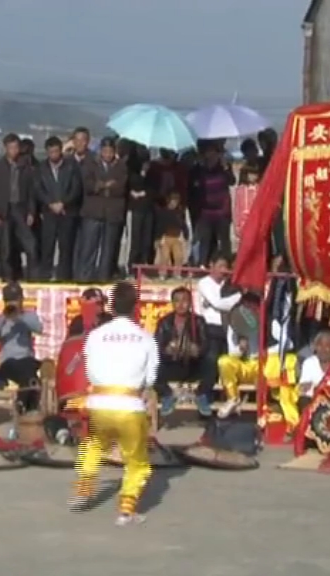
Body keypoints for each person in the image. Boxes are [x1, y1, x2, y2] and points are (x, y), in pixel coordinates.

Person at [71, 281, 158, 526]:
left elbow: (88, 371)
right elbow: (150, 378)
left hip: (99, 402)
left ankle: (83, 493)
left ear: (111, 305)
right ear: (136, 306)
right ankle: (126, 510)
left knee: (94, 447)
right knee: (137, 461)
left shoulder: (96, 336)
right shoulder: (144, 337)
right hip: (130, 405)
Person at [217, 293, 299, 425]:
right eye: (245, 308)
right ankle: (232, 398)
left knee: (274, 364)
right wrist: (240, 348)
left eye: (251, 308)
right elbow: (232, 352)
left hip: (263, 365)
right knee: (224, 361)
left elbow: (288, 344)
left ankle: (266, 411)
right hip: (245, 366)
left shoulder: (270, 322)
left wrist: (266, 351)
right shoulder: (235, 323)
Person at [0, 133, 38, 280]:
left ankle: (33, 278)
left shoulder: (26, 168)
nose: (14, 151)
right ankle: (7, 279)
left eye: (16, 147)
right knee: (5, 248)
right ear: (6, 148)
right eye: (10, 148)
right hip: (3, 211)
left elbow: (32, 191)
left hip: (21, 209)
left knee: (30, 246)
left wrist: (31, 212)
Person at [193, 253, 242, 415]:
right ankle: (202, 394)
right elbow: (219, 304)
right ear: (211, 266)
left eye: (225, 267)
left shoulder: (228, 285)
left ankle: (225, 402)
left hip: (227, 328)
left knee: (229, 360)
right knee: (212, 358)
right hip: (208, 327)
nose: (223, 270)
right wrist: (239, 297)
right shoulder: (205, 283)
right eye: (219, 266)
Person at [152, 287, 212, 416]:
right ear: (172, 303)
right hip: (172, 365)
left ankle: (201, 394)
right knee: (151, 368)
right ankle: (167, 395)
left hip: (193, 366)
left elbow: (206, 344)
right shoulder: (164, 322)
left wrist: (196, 350)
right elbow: (156, 347)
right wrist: (167, 350)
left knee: (211, 361)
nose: (181, 304)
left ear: (190, 302)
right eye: (177, 301)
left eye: (184, 300)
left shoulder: (198, 321)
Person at [0, 282, 43, 412]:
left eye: (15, 299)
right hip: (9, 362)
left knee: (31, 372)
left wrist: (20, 317)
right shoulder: (0, 318)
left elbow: (39, 329)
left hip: (27, 359)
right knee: (31, 378)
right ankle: (25, 403)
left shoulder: (29, 315)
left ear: (21, 299)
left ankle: (22, 403)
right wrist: (4, 318)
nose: (13, 303)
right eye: (9, 300)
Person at [76, 137, 127, 282]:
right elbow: (88, 185)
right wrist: (105, 185)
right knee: (88, 248)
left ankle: (103, 278)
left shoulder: (121, 166)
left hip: (112, 213)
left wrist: (104, 186)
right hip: (93, 212)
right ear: (100, 151)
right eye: (105, 151)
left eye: (110, 151)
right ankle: (85, 278)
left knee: (108, 250)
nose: (108, 154)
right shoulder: (90, 163)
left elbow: (121, 186)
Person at [34, 136, 82, 282]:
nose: (54, 155)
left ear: (61, 150)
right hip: (48, 213)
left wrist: (63, 203)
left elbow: (76, 188)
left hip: (67, 212)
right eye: (51, 152)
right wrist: (50, 203)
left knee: (66, 248)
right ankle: (45, 276)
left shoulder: (71, 165)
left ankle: (64, 277)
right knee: (47, 247)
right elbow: (38, 188)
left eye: (56, 151)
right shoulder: (41, 168)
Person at [189, 144, 236, 266]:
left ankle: (227, 264)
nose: (211, 156)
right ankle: (202, 264)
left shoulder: (223, 168)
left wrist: (226, 168)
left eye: (214, 153)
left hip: (222, 211)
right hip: (205, 211)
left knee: (224, 240)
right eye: (208, 153)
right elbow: (193, 186)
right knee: (205, 239)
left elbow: (232, 181)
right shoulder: (199, 170)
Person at [297, 329, 330, 414]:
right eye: (319, 345)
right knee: (303, 401)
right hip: (313, 402)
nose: (322, 349)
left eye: (327, 346)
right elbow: (304, 389)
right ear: (315, 347)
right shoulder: (309, 363)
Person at [153, 191, 188, 278]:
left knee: (178, 256)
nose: (174, 203)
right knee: (164, 257)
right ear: (169, 201)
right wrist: (158, 238)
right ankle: (162, 273)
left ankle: (177, 273)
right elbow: (159, 226)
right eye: (173, 201)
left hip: (177, 237)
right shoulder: (163, 212)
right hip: (166, 237)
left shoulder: (180, 212)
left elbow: (183, 225)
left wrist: (185, 235)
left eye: (176, 201)